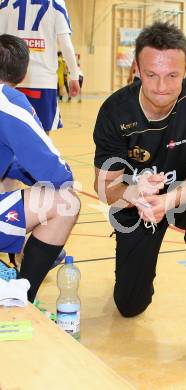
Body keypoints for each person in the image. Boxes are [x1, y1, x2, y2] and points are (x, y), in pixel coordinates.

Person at [93, 22, 186, 371]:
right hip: (135, 202)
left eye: (173, 76)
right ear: (136, 69)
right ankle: (134, 285)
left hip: (184, 194)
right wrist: (135, 194)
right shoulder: (115, 111)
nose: (162, 87)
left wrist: (168, 201)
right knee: (130, 305)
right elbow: (105, 188)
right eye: (152, 75)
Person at [0, 34, 80, 301]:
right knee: (66, 202)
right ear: (23, 74)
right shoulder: (7, 100)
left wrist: (18, 170)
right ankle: (21, 293)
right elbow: (53, 173)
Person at [0, 0, 80, 133]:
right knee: (41, 135)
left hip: (8, 78)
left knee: (7, 135)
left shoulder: (6, 2)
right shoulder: (56, 3)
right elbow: (65, 44)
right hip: (43, 81)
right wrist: (74, 76)